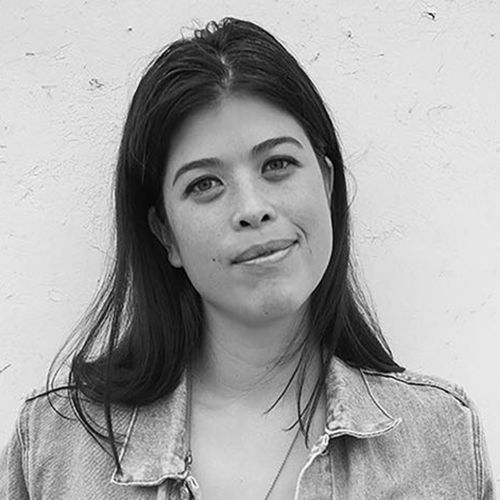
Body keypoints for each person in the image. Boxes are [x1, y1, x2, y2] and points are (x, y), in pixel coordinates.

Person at [0, 17, 495, 500]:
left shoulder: (439, 438)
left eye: (277, 164)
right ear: (165, 233)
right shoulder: (56, 448)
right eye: (205, 184)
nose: (252, 208)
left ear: (326, 184)